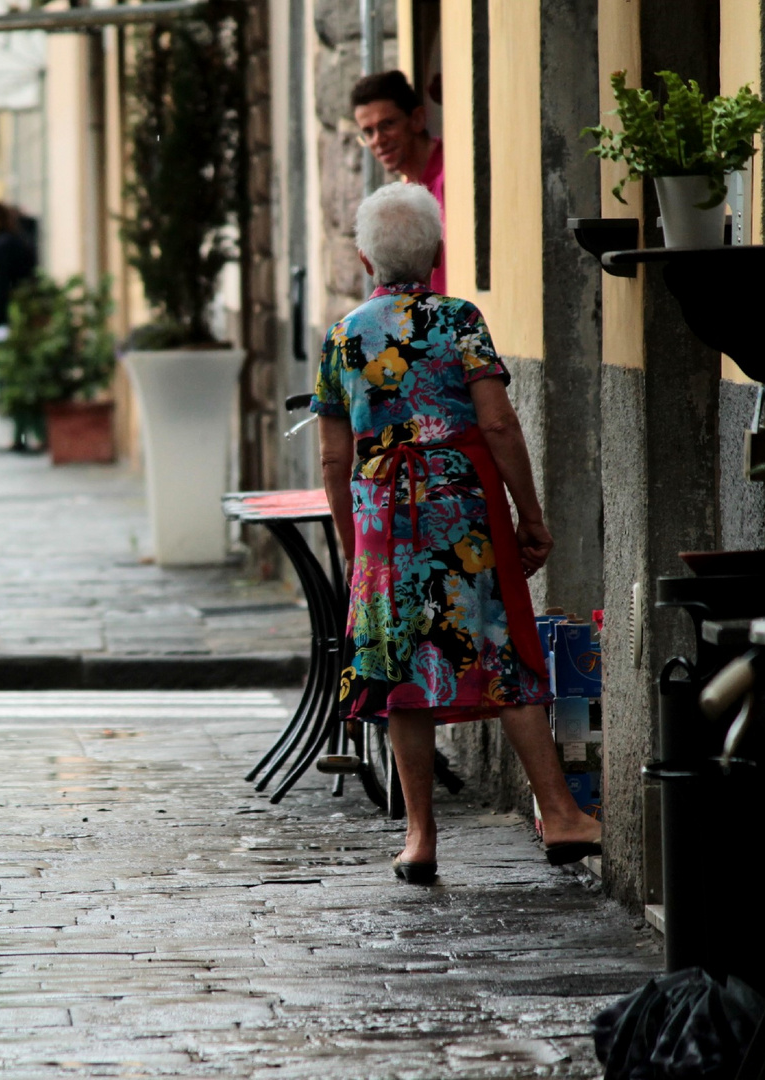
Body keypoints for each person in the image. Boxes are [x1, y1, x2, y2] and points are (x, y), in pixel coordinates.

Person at [311, 182, 601, 884]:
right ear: (438, 254)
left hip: (384, 518)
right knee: (503, 651)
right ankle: (560, 813)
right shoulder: (459, 321)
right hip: (460, 512)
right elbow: (498, 423)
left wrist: (357, 551)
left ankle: (419, 837)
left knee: (398, 671)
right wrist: (531, 516)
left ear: (363, 257)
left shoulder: (344, 337)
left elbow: (332, 456)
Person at [352, 71, 446, 294]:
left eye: (387, 124)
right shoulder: (407, 197)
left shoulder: (450, 175)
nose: (378, 140)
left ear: (417, 119)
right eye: (368, 131)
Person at [0, 201, 35, 341]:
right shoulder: (16, 238)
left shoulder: (2, 243)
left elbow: (0, 282)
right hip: (21, 302)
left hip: (10, 308)